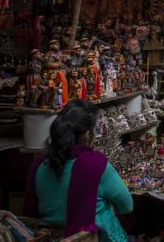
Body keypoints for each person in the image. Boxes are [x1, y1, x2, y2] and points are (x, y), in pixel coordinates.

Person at [24, 99, 133, 242]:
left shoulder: (40, 163)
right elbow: (127, 205)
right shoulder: (95, 164)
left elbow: (31, 211)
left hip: (48, 236)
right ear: (88, 135)